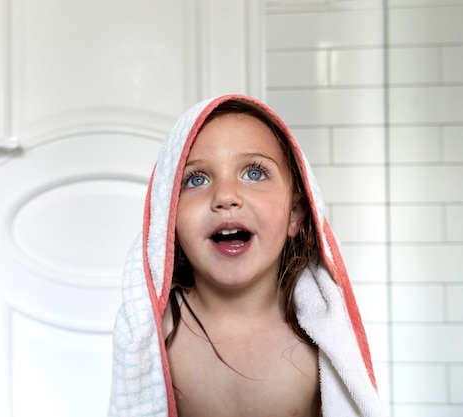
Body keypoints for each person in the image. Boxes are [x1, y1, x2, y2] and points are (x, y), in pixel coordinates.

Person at [109, 94, 388, 417]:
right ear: (168, 219)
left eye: (254, 173)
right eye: (196, 179)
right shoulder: (157, 334)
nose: (225, 196)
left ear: (296, 213)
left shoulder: (316, 339)